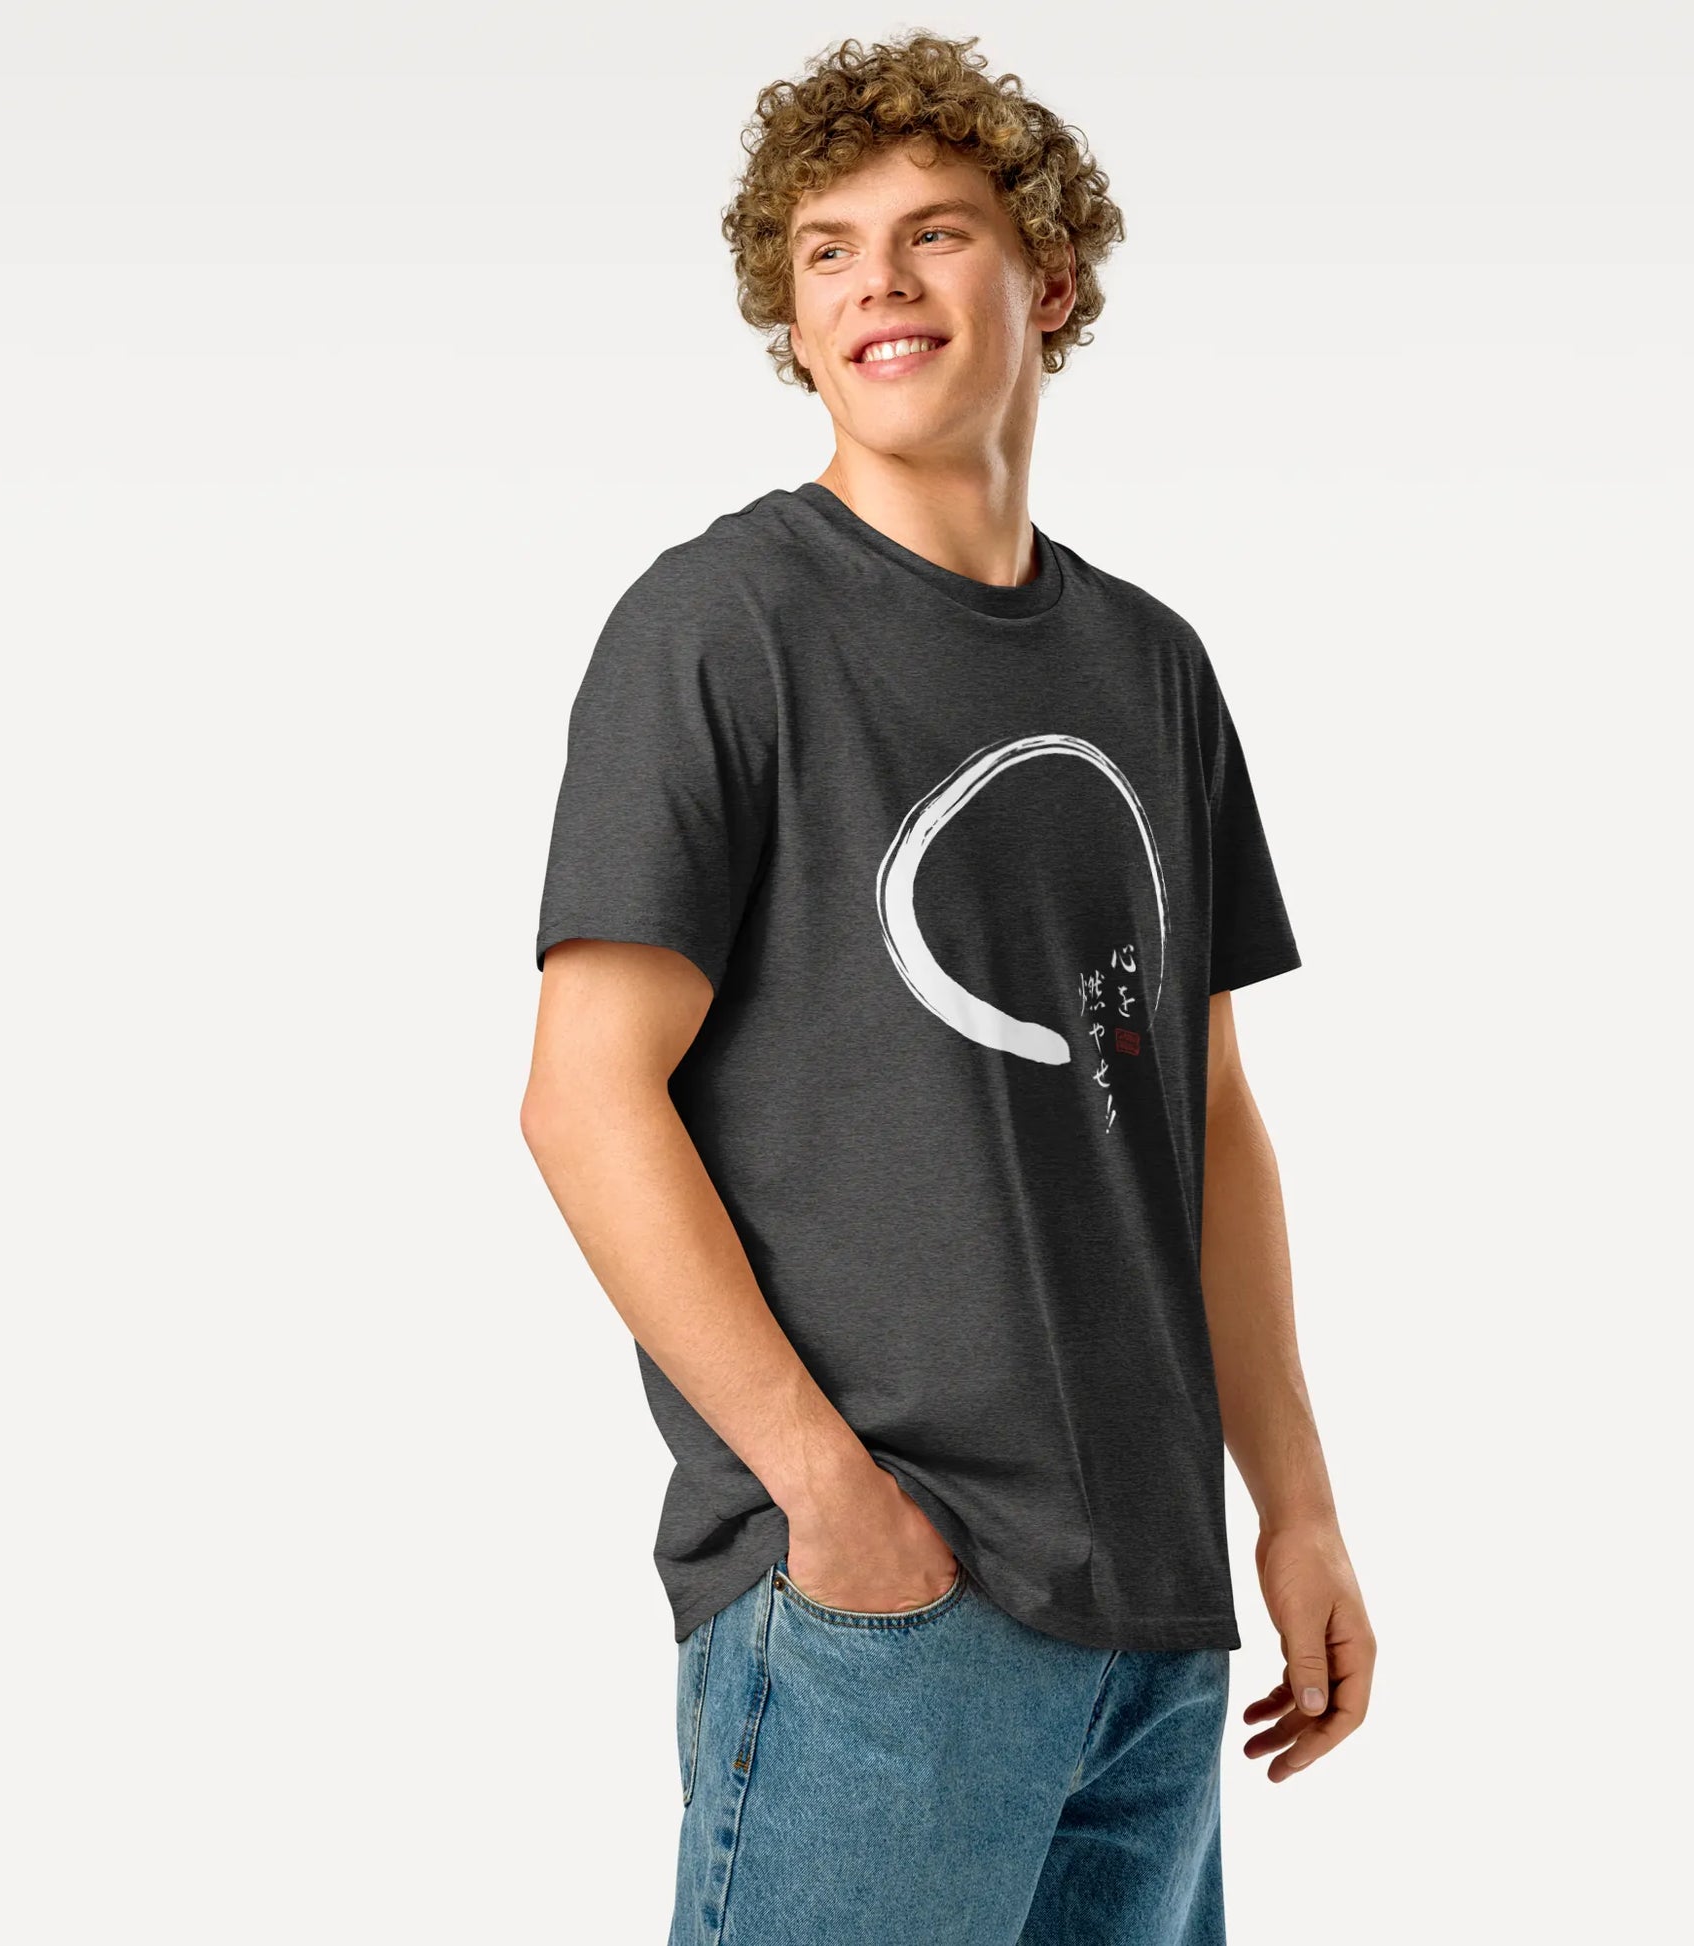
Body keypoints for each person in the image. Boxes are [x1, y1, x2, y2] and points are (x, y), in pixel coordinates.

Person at [521, 31, 1374, 1946]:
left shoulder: (1151, 665)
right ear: (789, 314)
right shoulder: (723, 625)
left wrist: (1295, 1503)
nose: (875, 284)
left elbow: (1205, 1117)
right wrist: (826, 1496)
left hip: (1152, 1615)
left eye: (934, 233)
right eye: (825, 250)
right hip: (884, 1604)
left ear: (1048, 278)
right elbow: (582, 1093)